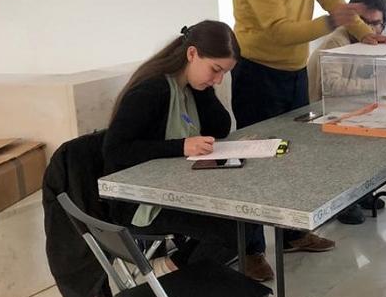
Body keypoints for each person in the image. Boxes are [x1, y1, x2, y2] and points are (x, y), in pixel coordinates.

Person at [231, 0, 386, 251]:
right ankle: (253, 250)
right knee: (258, 163)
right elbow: (278, 29)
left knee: (294, 157)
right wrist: (329, 22)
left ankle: (293, 234)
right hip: (257, 74)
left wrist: (368, 36)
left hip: (292, 75)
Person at [102, 20, 274, 282]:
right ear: (191, 54)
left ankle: (177, 269)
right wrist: (181, 146)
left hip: (176, 186)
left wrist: (204, 90)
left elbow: (221, 127)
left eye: (223, 74)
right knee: (231, 230)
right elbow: (115, 150)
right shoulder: (152, 90)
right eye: (215, 70)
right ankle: (171, 272)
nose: (217, 80)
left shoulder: (189, 87)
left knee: (247, 213)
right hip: (141, 199)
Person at [306, 0, 386, 224]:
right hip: (323, 109)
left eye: (378, 24)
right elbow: (332, 85)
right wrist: (375, 83)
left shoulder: (370, 41)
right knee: (345, 154)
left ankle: (361, 193)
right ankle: (345, 203)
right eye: (365, 23)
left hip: (348, 107)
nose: (372, 30)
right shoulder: (337, 40)